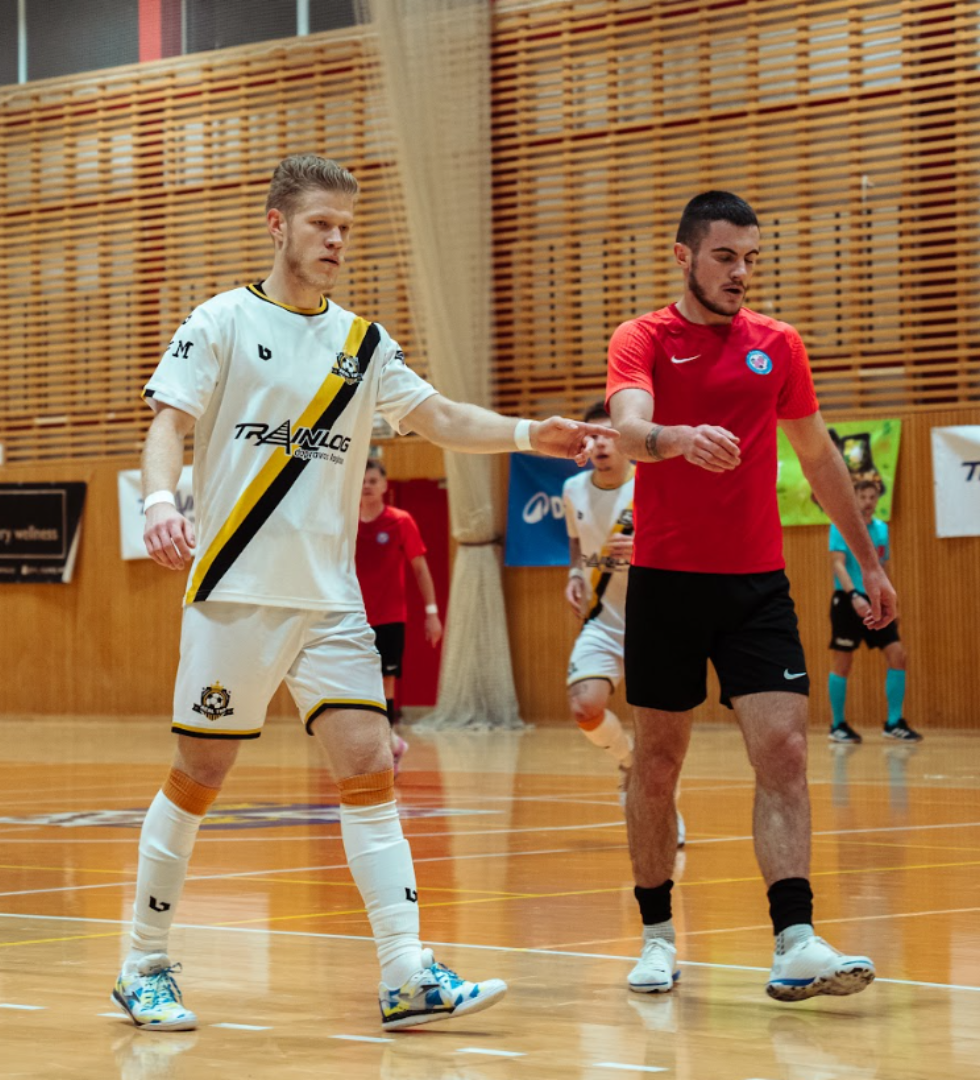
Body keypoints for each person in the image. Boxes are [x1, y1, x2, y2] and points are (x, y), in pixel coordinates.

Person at [118, 153, 615, 1034]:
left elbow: (440, 417)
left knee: (367, 767)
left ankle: (405, 971)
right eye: (321, 224)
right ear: (278, 224)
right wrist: (161, 502)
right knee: (199, 776)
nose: (336, 240)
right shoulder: (222, 321)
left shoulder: (362, 343)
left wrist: (525, 433)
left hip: (332, 603)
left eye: (346, 227)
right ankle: (142, 964)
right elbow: (169, 424)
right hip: (237, 591)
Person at [605, 190, 897, 1000]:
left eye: (750, 259)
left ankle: (795, 940)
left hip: (756, 586)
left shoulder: (779, 344)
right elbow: (627, 428)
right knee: (657, 762)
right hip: (665, 584)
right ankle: (657, 935)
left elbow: (820, 457)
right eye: (725, 257)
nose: (740, 272)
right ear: (685, 257)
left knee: (786, 751)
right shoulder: (642, 338)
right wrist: (675, 439)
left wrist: (869, 563)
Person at [562, 401, 685, 845]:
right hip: (602, 621)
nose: (599, 444)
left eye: (608, 435)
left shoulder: (650, 485)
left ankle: (666, 811)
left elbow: (682, 546)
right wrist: (574, 574)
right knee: (584, 706)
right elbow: (576, 545)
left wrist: (642, 551)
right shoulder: (573, 490)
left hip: (655, 621)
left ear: (625, 441)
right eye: (591, 436)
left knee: (660, 733)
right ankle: (627, 761)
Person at [357, 456, 443, 771]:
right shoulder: (345, 521)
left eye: (373, 481)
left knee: (386, 681)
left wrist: (432, 613)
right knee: (356, 683)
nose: (367, 486)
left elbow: (420, 568)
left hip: (390, 618)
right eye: (362, 481)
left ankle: (387, 744)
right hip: (353, 618)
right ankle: (383, 743)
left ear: (384, 485)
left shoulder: (400, 521)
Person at [828, 479, 921, 743]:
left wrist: (892, 603)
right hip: (849, 601)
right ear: (854, 498)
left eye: (872, 497)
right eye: (863, 497)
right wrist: (854, 596)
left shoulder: (881, 529)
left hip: (877, 600)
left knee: (898, 654)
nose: (868, 502)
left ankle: (894, 722)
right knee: (843, 661)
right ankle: (837, 725)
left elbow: (882, 567)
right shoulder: (841, 526)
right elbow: (838, 564)